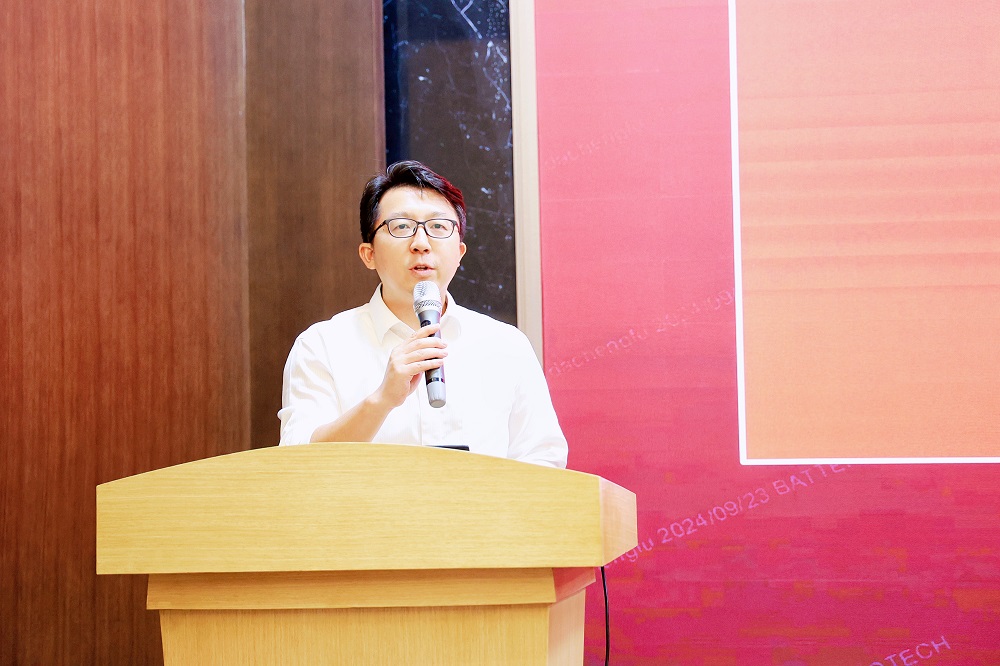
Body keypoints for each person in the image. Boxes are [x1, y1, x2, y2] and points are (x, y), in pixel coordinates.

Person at [278, 160, 568, 467]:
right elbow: (298, 464)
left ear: (459, 252)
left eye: (438, 227)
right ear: (369, 254)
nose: (421, 244)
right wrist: (381, 400)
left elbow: (544, 460)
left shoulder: (506, 345)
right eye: (401, 227)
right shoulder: (322, 345)